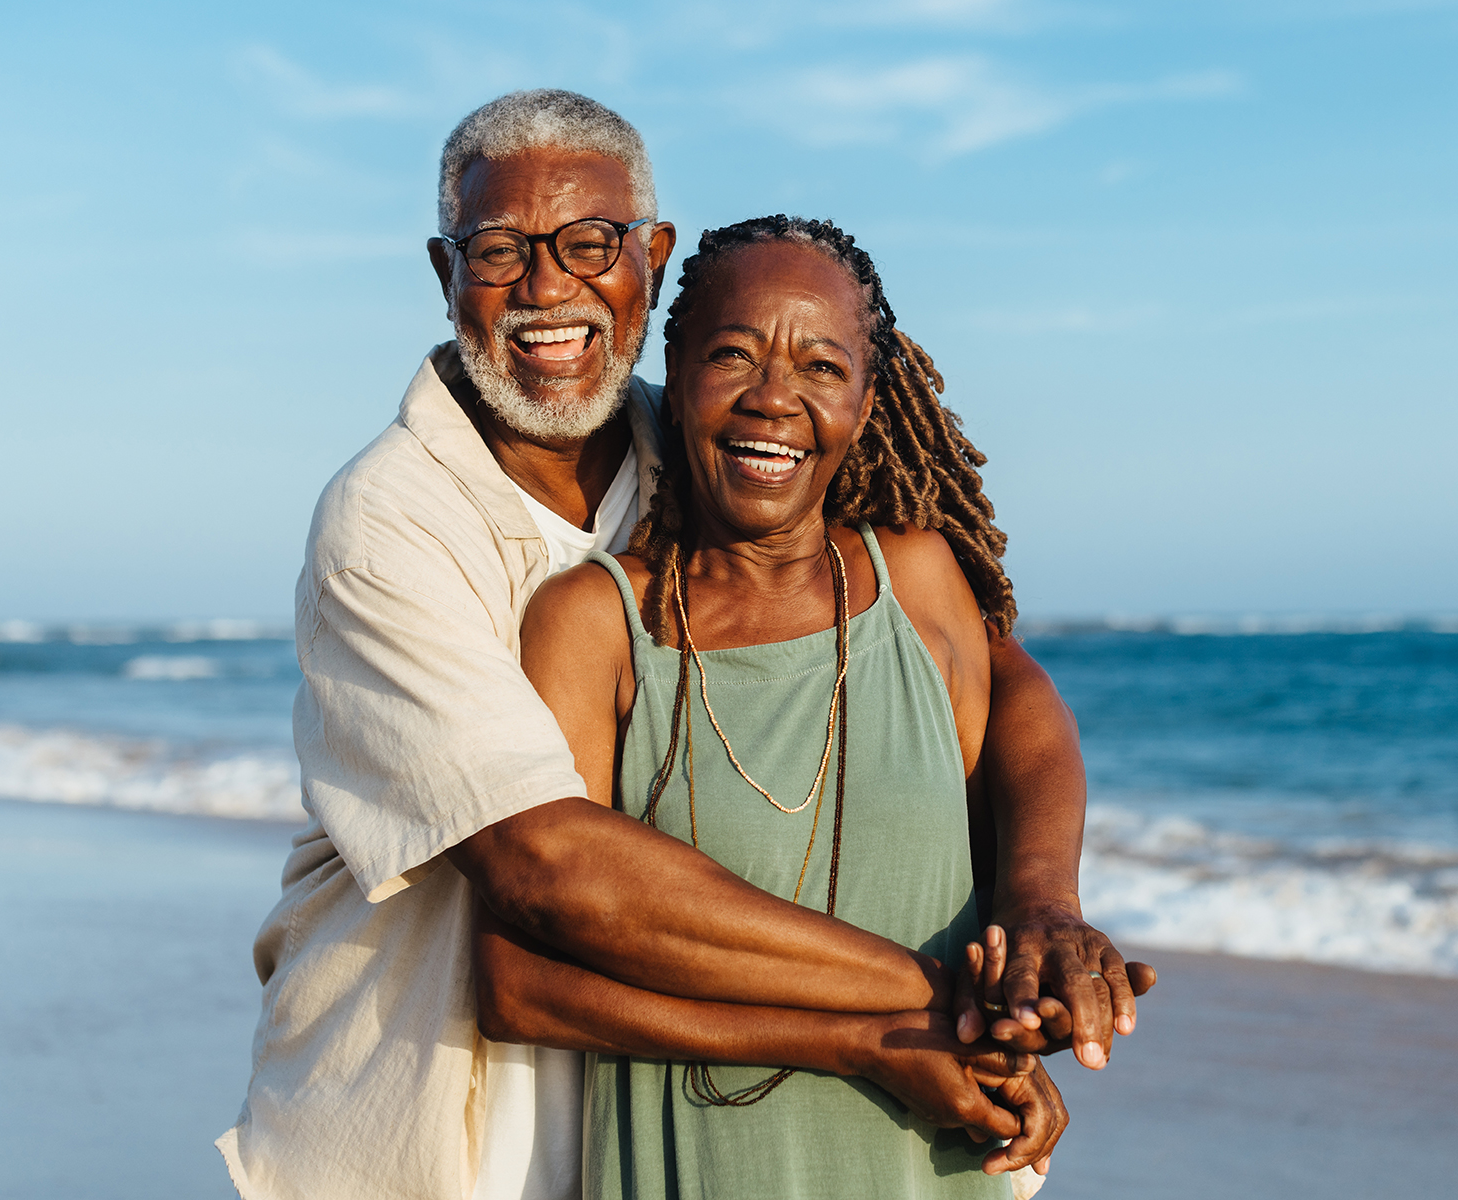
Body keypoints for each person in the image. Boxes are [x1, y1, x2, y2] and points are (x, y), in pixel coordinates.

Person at [218, 91, 1148, 1200]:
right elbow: (548, 866)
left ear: (651, 260)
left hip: (676, 1100)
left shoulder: (715, 434)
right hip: (432, 1118)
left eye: (591, 244)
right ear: (446, 272)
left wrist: (1040, 905)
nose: (549, 288)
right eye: (502, 250)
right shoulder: (388, 522)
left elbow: (995, 674)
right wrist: (934, 1003)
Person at [476, 215, 1111, 1199]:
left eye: (822, 366)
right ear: (675, 368)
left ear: (867, 397)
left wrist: (1042, 924)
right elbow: (518, 986)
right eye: (732, 354)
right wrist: (860, 1043)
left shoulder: (917, 581)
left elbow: (1024, 717)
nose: (774, 398)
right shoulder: (594, 625)